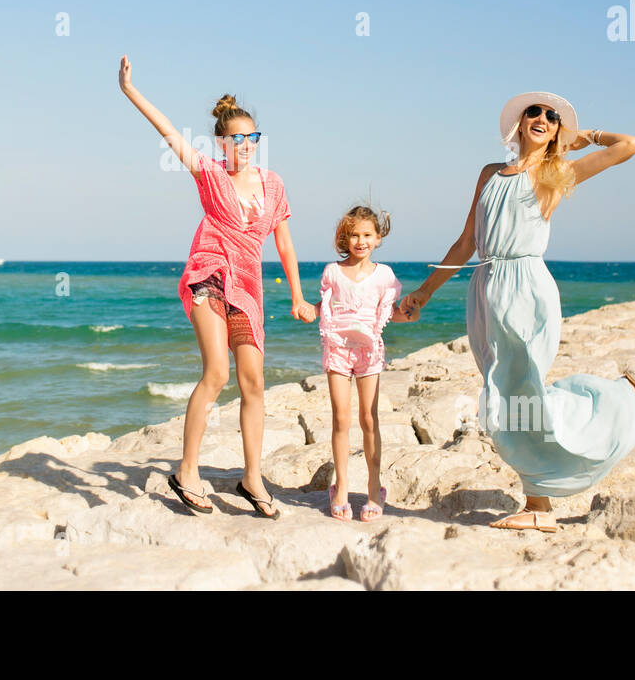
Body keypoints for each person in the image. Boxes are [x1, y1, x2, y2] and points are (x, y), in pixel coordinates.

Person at [399, 92, 635, 533]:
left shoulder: (557, 173)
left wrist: (585, 136)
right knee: (507, 395)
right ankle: (541, 500)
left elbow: (630, 145)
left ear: (558, 129)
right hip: (486, 288)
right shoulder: (489, 173)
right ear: (519, 123)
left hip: (527, 288)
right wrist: (424, 293)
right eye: (534, 112)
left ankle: (551, 488)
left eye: (552, 116)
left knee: (521, 394)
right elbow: (466, 243)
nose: (542, 118)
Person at [118, 55, 314, 518]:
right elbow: (168, 133)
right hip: (209, 276)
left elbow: (284, 244)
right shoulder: (209, 173)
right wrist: (131, 91)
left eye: (252, 138)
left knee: (254, 383)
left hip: (248, 289)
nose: (245, 145)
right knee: (218, 374)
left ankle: (252, 477)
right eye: (236, 138)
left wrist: (299, 295)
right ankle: (187, 471)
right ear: (221, 141)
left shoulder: (273, 184)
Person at [314, 205, 417, 521]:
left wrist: (410, 313)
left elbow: (389, 313)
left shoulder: (384, 275)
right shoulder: (332, 271)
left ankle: (375, 488)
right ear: (345, 238)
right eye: (355, 235)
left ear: (378, 238)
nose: (360, 241)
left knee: (369, 418)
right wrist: (307, 309)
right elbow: (325, 306)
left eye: (367, 235)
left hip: (369, 351)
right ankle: (341, 487)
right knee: (341, 418)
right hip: (337, 349)